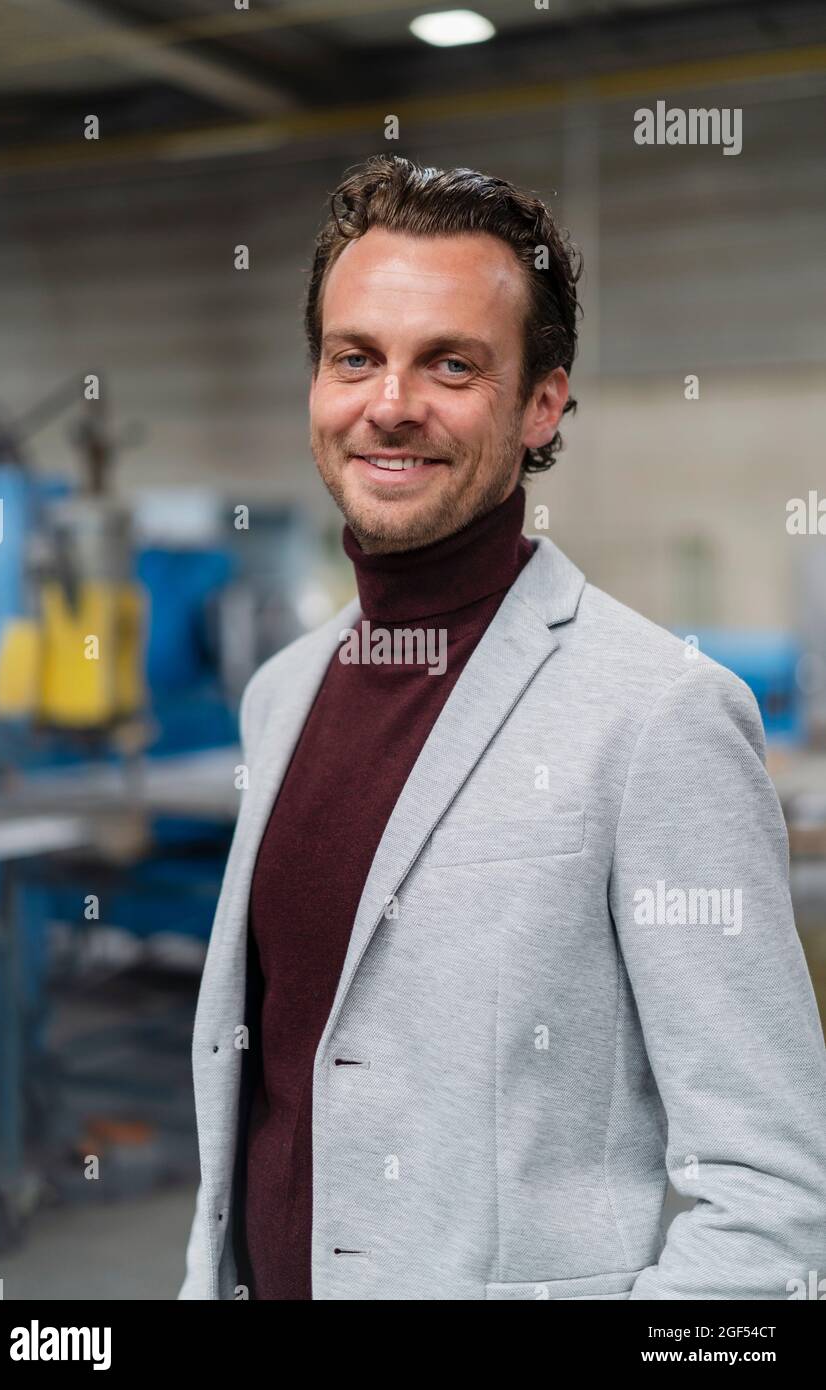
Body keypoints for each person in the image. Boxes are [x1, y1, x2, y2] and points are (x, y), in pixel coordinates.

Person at [179, 154, 826, 1301]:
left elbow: (773, 1198)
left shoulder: (656, 713)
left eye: (450, 364)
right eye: (355, 357)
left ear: (540, 404)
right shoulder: (281, 693)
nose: (390, 403)